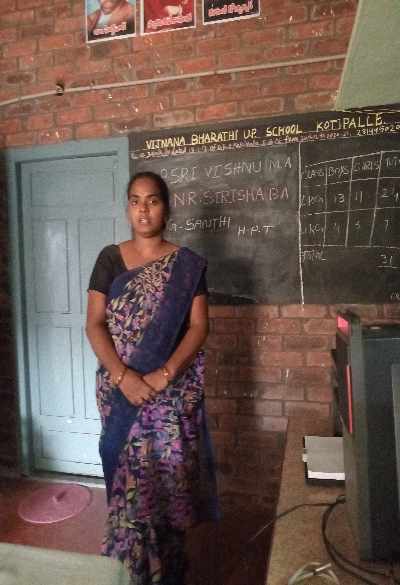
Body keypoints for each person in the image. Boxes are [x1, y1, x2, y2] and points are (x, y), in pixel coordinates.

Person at [86, 171, 218, 585]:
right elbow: (94, 324)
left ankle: (171, 568)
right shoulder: (109, 259)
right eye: (135, 201)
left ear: (166, 208)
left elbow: (199, 326)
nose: (143, 209)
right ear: (128, 208)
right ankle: (132, 571)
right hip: (120, 393)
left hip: (169, 396)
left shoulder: (187, 266)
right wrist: (123, 377)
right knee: (129, 484)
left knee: (169, 479)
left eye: (152, 200)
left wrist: (164, 375)